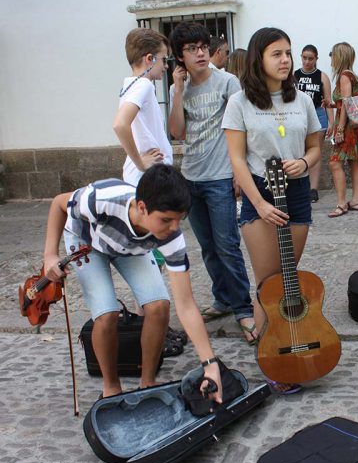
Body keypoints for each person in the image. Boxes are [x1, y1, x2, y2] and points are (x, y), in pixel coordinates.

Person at [43, 165, 224, 401]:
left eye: (180, 220)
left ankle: (147, 382)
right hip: (87, 242)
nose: (174, 228)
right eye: (166, 219)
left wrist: (210, 365)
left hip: (131, 248)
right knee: (107, 314)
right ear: (142, 207)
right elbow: (58, 203)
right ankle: (111, 386)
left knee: (159, 306)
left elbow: (186, 304)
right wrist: (50, 255)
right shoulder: (102, 198)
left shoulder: (171, 236)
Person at [223, 27, 321, 394]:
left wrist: (304, 162)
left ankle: (284, 341)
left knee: (287, 277)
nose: (285, 60)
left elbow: (315, 147)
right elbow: (236, 159)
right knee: (268, 282)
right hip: (258, 191)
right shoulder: (240, 102)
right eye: (276, 54)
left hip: (295, 191)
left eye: (288, 53)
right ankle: (272, 354)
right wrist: (260, 204)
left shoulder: (302, 100)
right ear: (259, 59)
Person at [167, 22, 256, 343]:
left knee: (228, 246)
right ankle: (223, 300)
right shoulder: (179, 89)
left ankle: (244, 310)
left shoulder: (228, 83)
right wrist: (177, 90)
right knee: (208, 248)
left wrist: (238, 173)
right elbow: (177, 132)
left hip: (221, 177)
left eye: (203, 46)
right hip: (191, 178)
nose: (200, 53)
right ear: (180, 57)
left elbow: (240, 131)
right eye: (191, 49)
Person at [113, 28, 172, 187]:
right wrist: (140, 163)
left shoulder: (130, 85)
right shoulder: (143, 85)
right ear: (150, 59)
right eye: (164, 59)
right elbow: (120, 124)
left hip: (143, 175)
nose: (166, 66)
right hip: (148, 176)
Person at [326, 42, 358, 217]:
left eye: (332, 54)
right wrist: (331, 104)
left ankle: (341, 203)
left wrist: (340, 129)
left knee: (335, 162)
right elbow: (345, 101)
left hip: (347, 127)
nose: (330, 58)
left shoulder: (344, 76)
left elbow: (346, 103)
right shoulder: (351, 75)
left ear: (339, 56)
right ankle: (356, 200)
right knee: (354, 162)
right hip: (354, 126)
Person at [294, 44, 334, 203]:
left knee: (314, 150)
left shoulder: (322, 76)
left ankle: (313, 188)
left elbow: (328, 101)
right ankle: (300, 185)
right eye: (304, 58)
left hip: (318, 113)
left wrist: (332, 122)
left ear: (316, 59)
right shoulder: (295, 75)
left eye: (310, 58)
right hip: (299, 114)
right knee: (298, 150)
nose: (307, 61)